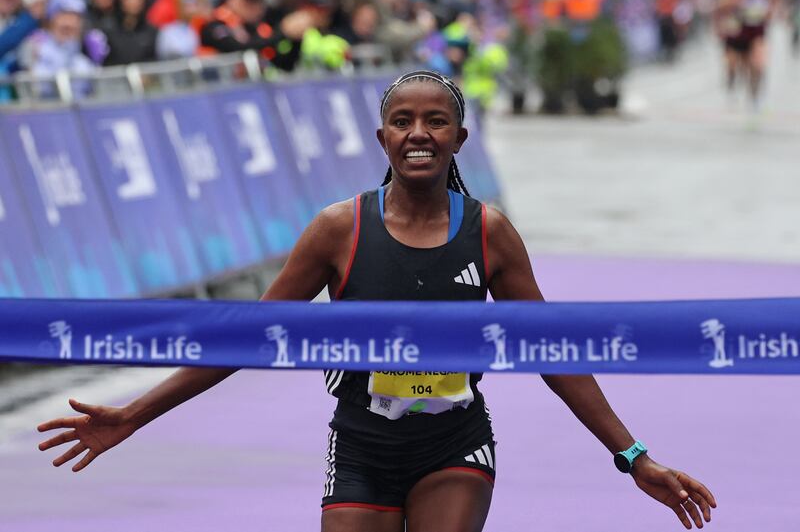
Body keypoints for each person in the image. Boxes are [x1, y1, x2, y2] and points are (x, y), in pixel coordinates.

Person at [37, 70, 717, 532]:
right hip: (360, 443)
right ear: (382, 138)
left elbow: (553, 354)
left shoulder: (490, 232)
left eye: (435, 121)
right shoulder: (339, 229)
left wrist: (634, 457)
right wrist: (133, 414)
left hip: (455, 442)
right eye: (402, 121)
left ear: (459, 137)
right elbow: (243, 335)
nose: (418, 132)